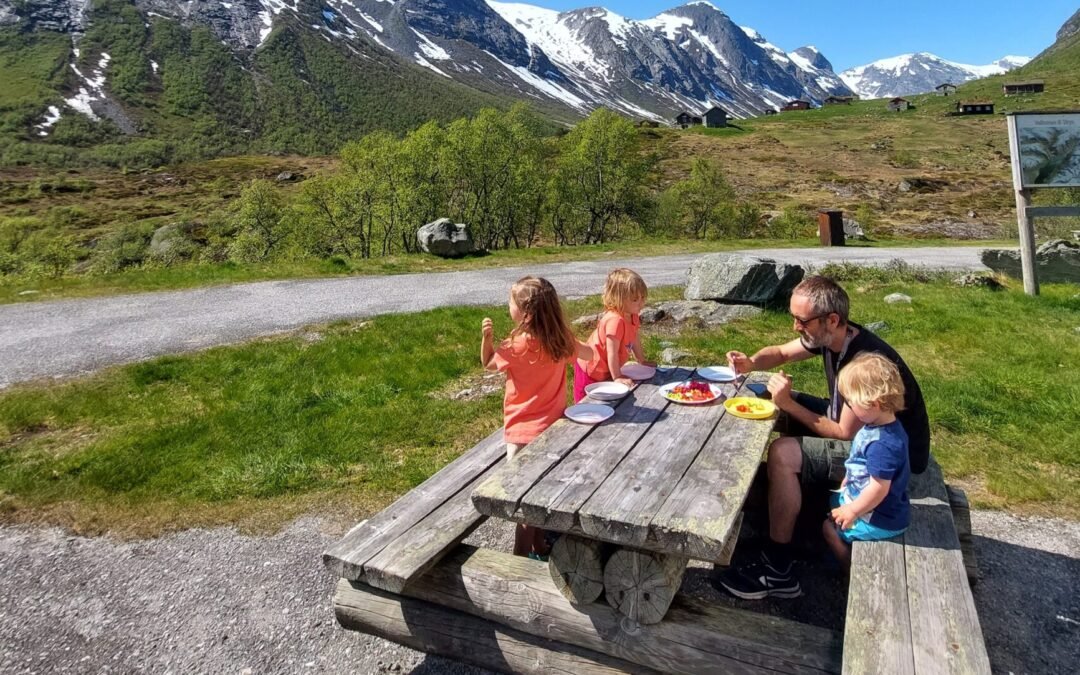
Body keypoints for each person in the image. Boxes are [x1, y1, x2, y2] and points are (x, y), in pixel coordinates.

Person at [715, 275, 929, 599]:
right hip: (865, 433)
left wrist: (786, 403)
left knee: (783, 453)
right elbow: (782, 353)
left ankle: (778, 569)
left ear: (832, 319)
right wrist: (752, 362)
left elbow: (843, 432)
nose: (795, 327)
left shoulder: (861, 361)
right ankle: (771, 509)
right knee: (766, 399)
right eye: (794, 318)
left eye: (802, 321)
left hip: (885, 459)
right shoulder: (832, 336)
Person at [481, 276, 592, 559]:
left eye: (511, 303)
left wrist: (487, 341)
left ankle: (519, 554)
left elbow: (489, 365)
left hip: (520, 434)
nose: (508, 306)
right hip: (554, 430)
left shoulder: (515, 346)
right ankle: (540, 546)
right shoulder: (560, 340)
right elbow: (588, 354)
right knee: (540, 495)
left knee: (522, 503)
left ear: (526, 313)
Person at [823, 352, 911, 570]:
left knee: (828, 527)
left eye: (852, 403)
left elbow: (879, 488)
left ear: (875, 403)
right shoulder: (878, 425)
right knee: (831, 504)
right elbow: (862, 465)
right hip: (866, 501)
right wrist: (848, 480)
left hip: (880, 518)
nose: (849, 407)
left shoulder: (883, 444)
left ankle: (850, 568)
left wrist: (852, 511)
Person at [574, 268, 656, 403]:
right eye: (635, 299)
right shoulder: (615, 321)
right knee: (587, 401)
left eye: (643, 297)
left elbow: (634, 337)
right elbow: (611, 352)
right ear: (618, 299)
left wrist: (641, 360)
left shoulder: (633, 316)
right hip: (591, 370)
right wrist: (617, 376)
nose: (641, 302)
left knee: (611, 403)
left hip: (607, 369)